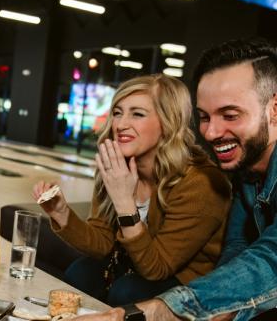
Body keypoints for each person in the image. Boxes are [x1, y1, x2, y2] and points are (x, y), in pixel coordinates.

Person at [75, 38, 277, 321]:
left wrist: (158, 309)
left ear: (274, 110)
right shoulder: (247, 176)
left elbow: (270, 261)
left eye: (230, 115)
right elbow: (236, 253)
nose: (210, 133)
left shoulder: (204, 180)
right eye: (204, 117)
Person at [33, 75, 231, 306]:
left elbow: (157, 268)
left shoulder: (200, 183)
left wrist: (124, 201)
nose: (120, 124)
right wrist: (62, 214)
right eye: (117, 112)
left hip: (185, 282)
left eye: (137, 114)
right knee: (81, 272)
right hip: (130, 264)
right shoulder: (116, 166)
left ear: (168, 122)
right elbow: (103, 244)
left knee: (129, 292)